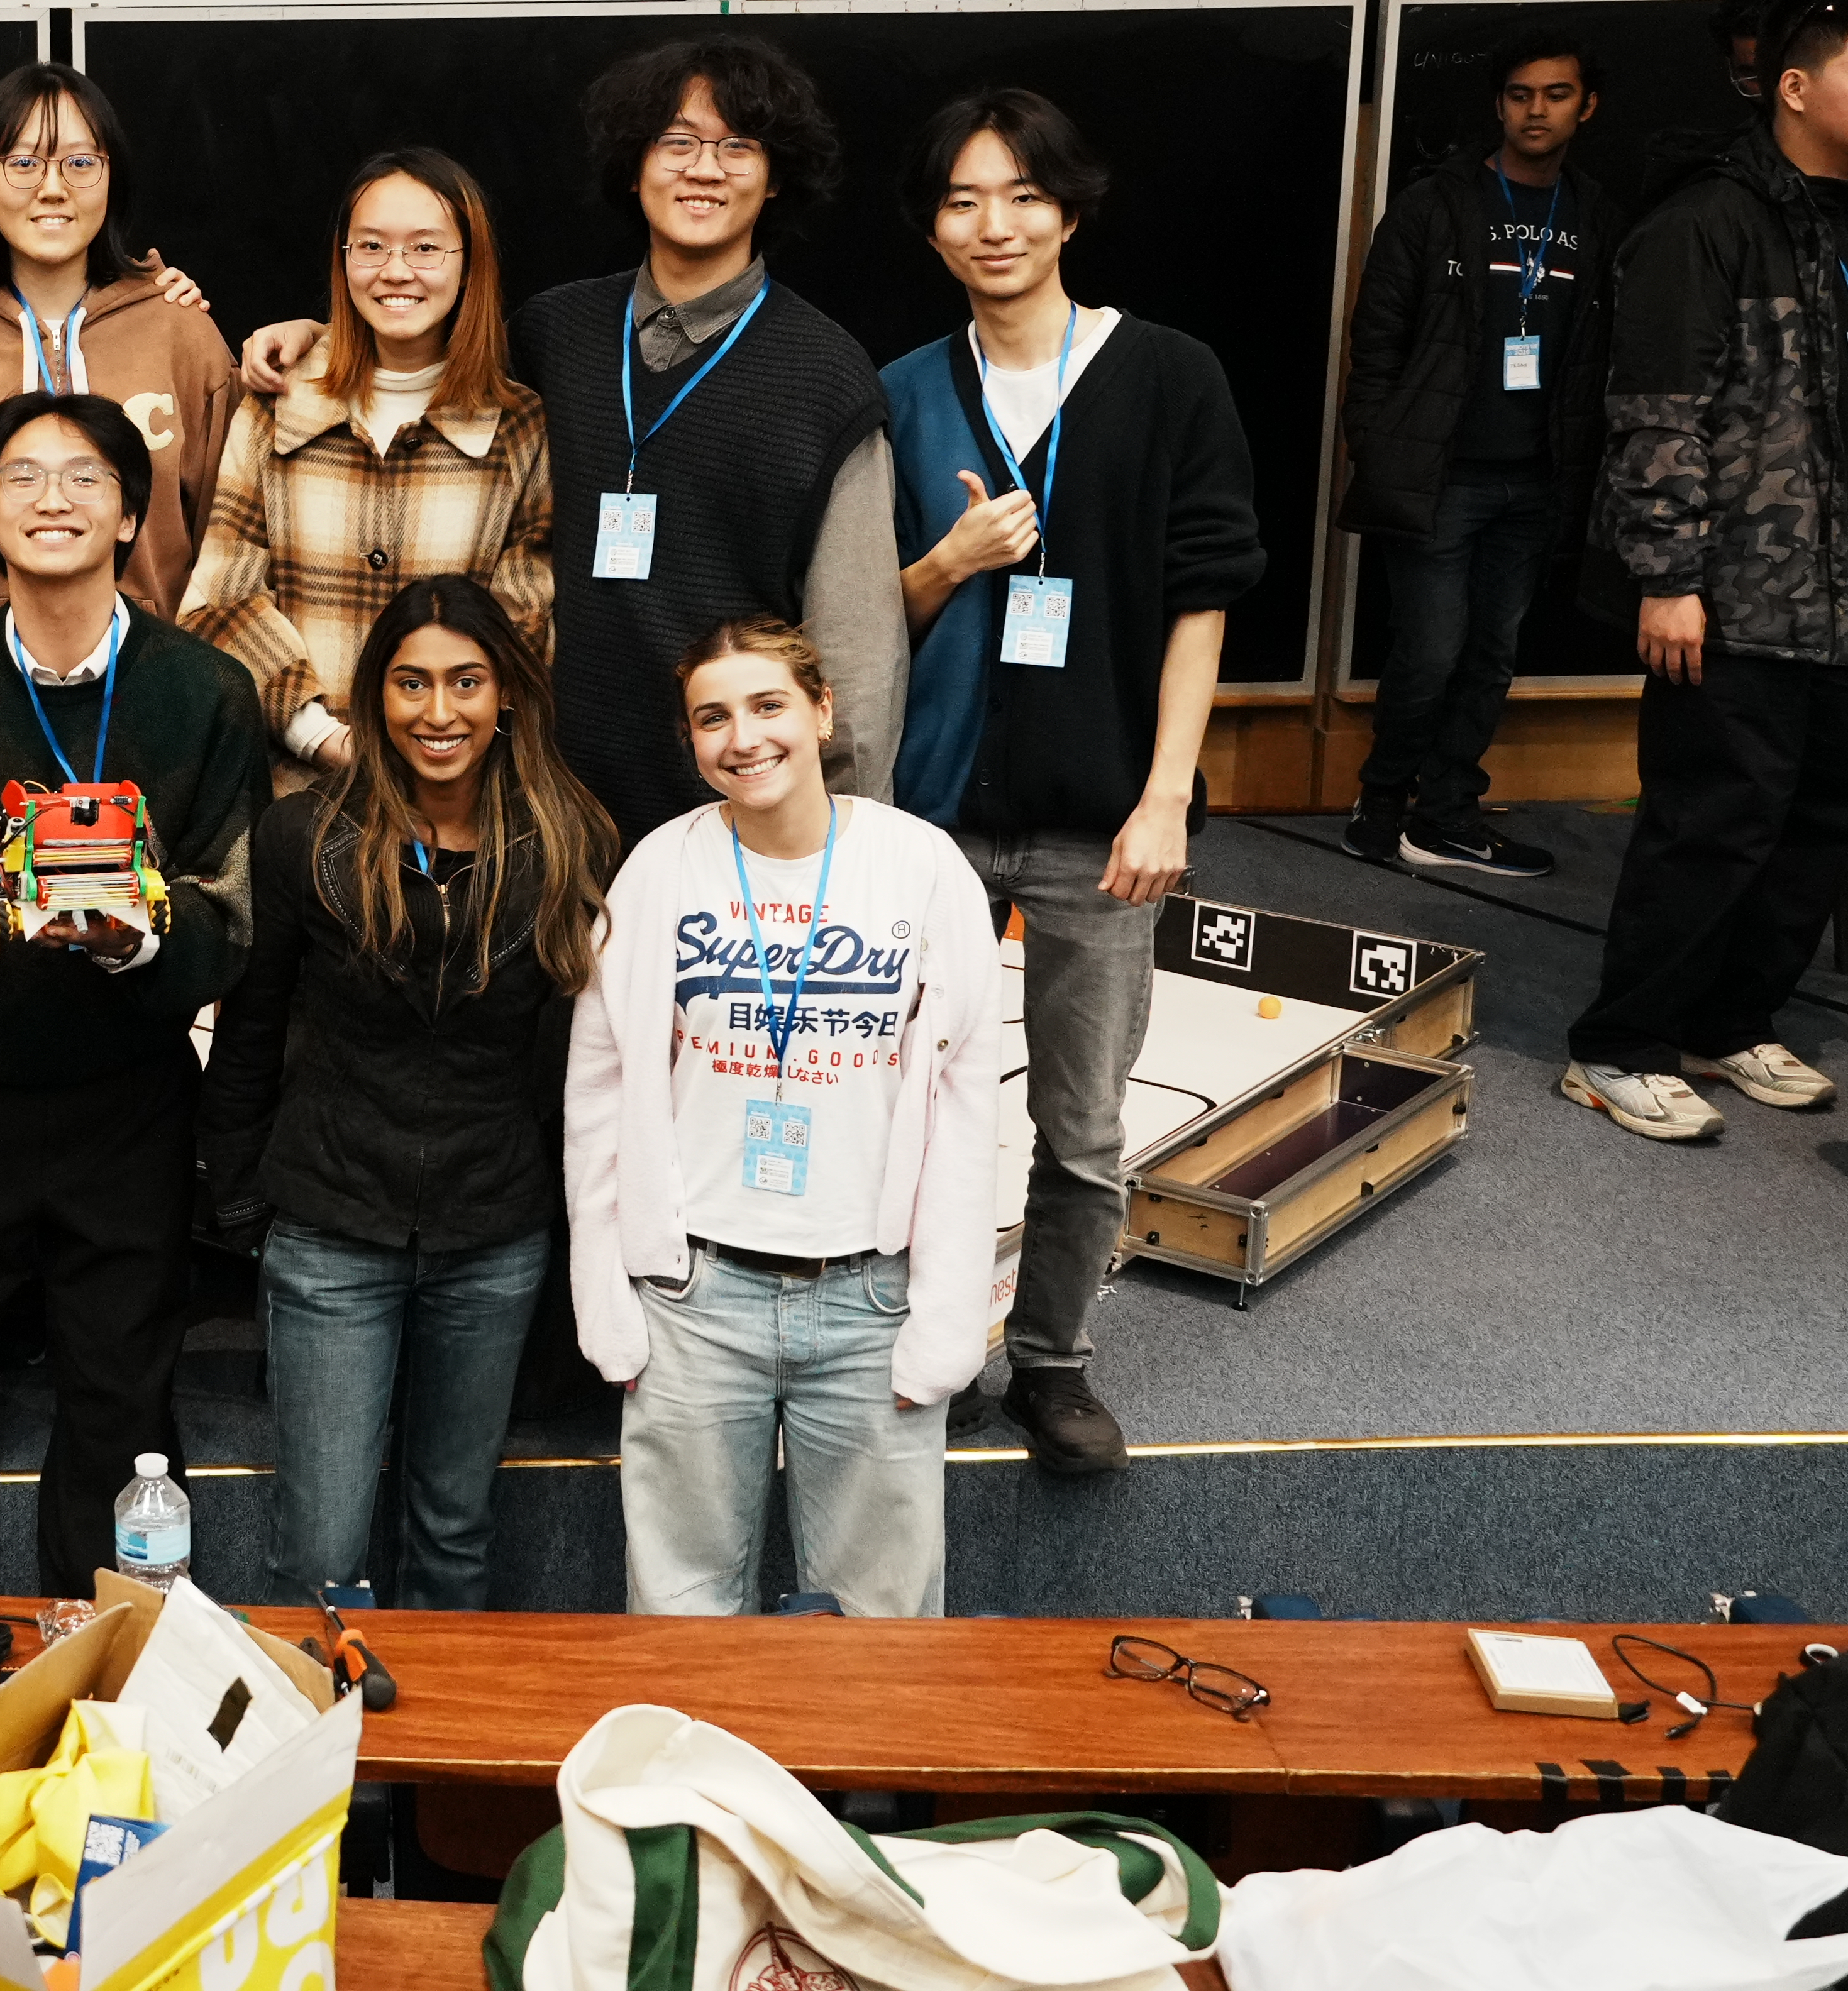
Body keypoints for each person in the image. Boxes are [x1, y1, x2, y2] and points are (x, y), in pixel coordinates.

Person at [235, 38, 905, 845]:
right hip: (536, 808)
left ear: (775, 177)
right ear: (633, 166)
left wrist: (843, 844)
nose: (704, 169)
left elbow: (857, 659)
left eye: (738, 146)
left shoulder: (827, 374)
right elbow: (420, 367)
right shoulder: (556, 335)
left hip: (735, 801)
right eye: (677, 142)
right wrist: (316, 339)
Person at [0, 391, 270, 1594]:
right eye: (21, 478)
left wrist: (141, 942)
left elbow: (228, 909)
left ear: (132, 511)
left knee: (122, 1401)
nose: (52, 501)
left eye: (84, 478)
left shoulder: (204, 692)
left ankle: (113, 1674)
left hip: (121, 1102)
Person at [883, 87, 1259, 1475]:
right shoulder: (905, 392)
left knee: (1083, 1125)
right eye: (965, 200)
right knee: (915, 1102)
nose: (996, 224)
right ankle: (924, 1352)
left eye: (1023, 196)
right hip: (931, 818)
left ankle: (1050, 1364)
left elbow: (1202, 600)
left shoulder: (1168, 375)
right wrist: (949, 562)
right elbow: (866, 616)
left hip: (1102, 817)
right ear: (932, 227)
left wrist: (1168, 793)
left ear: (1071, 209)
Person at [1564, 0, 1848, 1141]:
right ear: (1795, 87)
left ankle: (1731, 1018)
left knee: (1826, 818)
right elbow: (1655, 411)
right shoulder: (1703, 220)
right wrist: (1666, 574)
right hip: (1738, 590)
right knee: (1714, 820)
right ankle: (1620, 1044)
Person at [565, 617, 1000, 1616]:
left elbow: (969, 1104)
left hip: (870, 1300)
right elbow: (598, 1093)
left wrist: (947, 1318)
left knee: (882, 1625)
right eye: (712, 718)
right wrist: (608, 1287)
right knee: (681, 1615)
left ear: (822, 711)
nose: (743, 738)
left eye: (768, 706)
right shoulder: (660, 871)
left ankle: (863, 1785)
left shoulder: (923, 867)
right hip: (693, 1299)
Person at [200, 575, 613, 1607]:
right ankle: (334, 1771)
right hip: (331, 1226)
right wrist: (241, 1201)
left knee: (454, 1533)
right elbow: (248, 1033)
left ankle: (429, 1768)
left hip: (494, 1231)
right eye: (411, 683)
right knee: (322, 1551)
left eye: (466, 682)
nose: (440, 712)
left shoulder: (570, 840)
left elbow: (580, 1060)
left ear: (506, 692)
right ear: (373, 698)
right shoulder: (305, 836)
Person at [1336, 28, 1627, 876]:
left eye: (1556, 94)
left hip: (1538, 482)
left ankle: (1448, 814)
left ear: (1587, 106)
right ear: (1500, 105)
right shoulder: (1438, 206)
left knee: (1492, 656)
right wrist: (1381, 450)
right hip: (1440, 478)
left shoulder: (1598, 219)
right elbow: (1376, 340)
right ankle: (1382, 804)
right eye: (1521, 95)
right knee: (1429, 650)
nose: (1537, 110)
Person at [182, 149, 551, 792]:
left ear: (469, 265)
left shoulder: (517, 427)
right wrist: (322, 737)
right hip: (293, 795)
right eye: (372, 247)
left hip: (461, 799)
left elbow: (524, 626)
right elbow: (220, 598)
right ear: (343, 258)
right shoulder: (278, 406)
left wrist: (438, 735)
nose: (396, 271)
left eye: (427, 249)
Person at [0, 64, 241, 649]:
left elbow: (234, 542)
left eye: (81, 163)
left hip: (159, 688)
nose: (52, 188)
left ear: (114, 180)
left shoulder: (181, 331)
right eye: (23, 162)